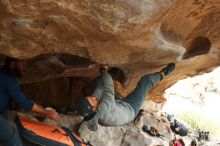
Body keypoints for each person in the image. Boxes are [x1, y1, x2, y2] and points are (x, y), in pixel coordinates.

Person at [76, 63, 175, 131]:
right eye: (91, 100)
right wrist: (103, 70)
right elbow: (108, 86)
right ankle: (163, 73)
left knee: (97, 83)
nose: (93, 98)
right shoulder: (104, 108)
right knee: (145, 81)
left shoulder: (90, 113)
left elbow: (97, 93)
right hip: (130, 109)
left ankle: (113, 74)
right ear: (93, 109)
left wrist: (104, 79)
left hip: (117, 107)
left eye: (89, 97)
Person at [0, 57, 60, 146]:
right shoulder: (8, 78)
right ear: (13, 62)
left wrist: (42, 109)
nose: (25, 67)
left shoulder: (3, 73)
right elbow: (24, 102)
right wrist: (47, 113)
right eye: (22, 62)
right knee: (13, 139)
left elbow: (22, 99)